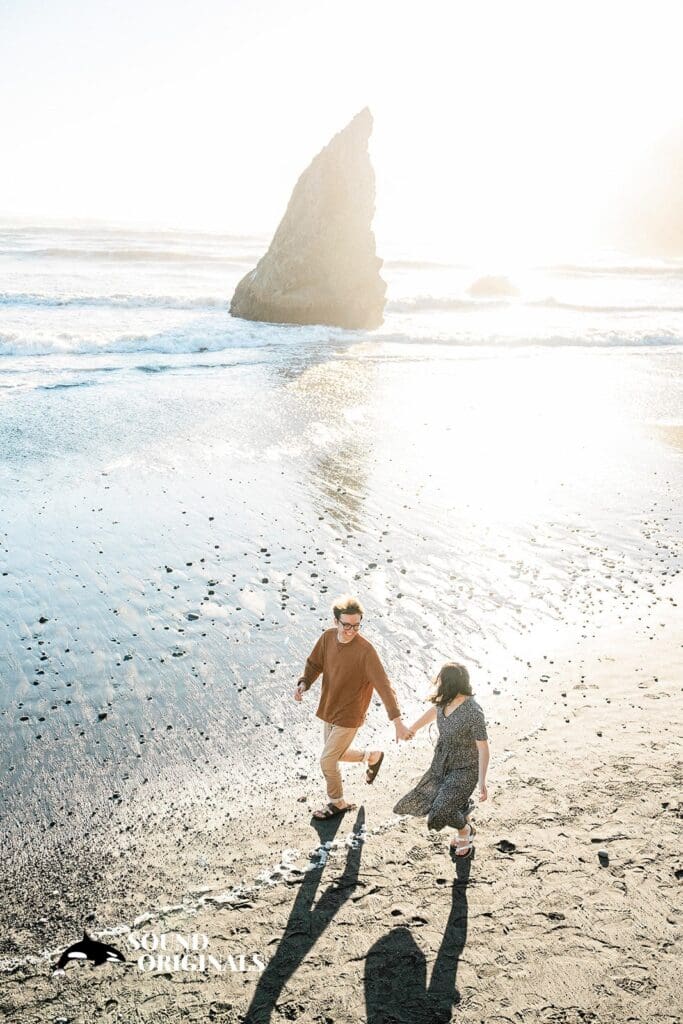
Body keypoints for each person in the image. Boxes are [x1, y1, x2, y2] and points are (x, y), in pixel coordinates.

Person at [294, 595, 413, 820]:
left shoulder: (366, 652)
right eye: (346, 625)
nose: (350, 630)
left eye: (356, 626)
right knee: (336, 754)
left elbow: (384, 687)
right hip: (329, 707)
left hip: (350, 713)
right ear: (335, 621)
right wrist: (304, 683)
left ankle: (337, 802)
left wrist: (397, 721)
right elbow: (314, 663)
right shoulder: (328, 638)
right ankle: (372, 757)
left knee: (327, 760)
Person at [393, 662, 489, 859]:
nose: (438, 683)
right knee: (430, 799)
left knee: (438, 812)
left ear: (450, 683)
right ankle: (462, 807)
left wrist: (482, 781)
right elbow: (432, 712)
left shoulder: (473, 712)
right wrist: (411, 729)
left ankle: (465, 831)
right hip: (441, 763)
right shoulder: (446, 701)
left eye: (441, 680)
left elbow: (483, 747)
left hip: (465, 768)